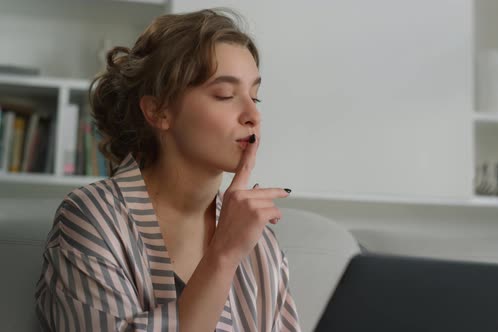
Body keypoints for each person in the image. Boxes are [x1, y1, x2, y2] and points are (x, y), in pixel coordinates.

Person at [35, 8, 301, 332]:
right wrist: (223, 255)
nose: (252, 115)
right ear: (159, 111)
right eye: (225, 95)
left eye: (255, 97)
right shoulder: (90, 218)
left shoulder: (260, 243)